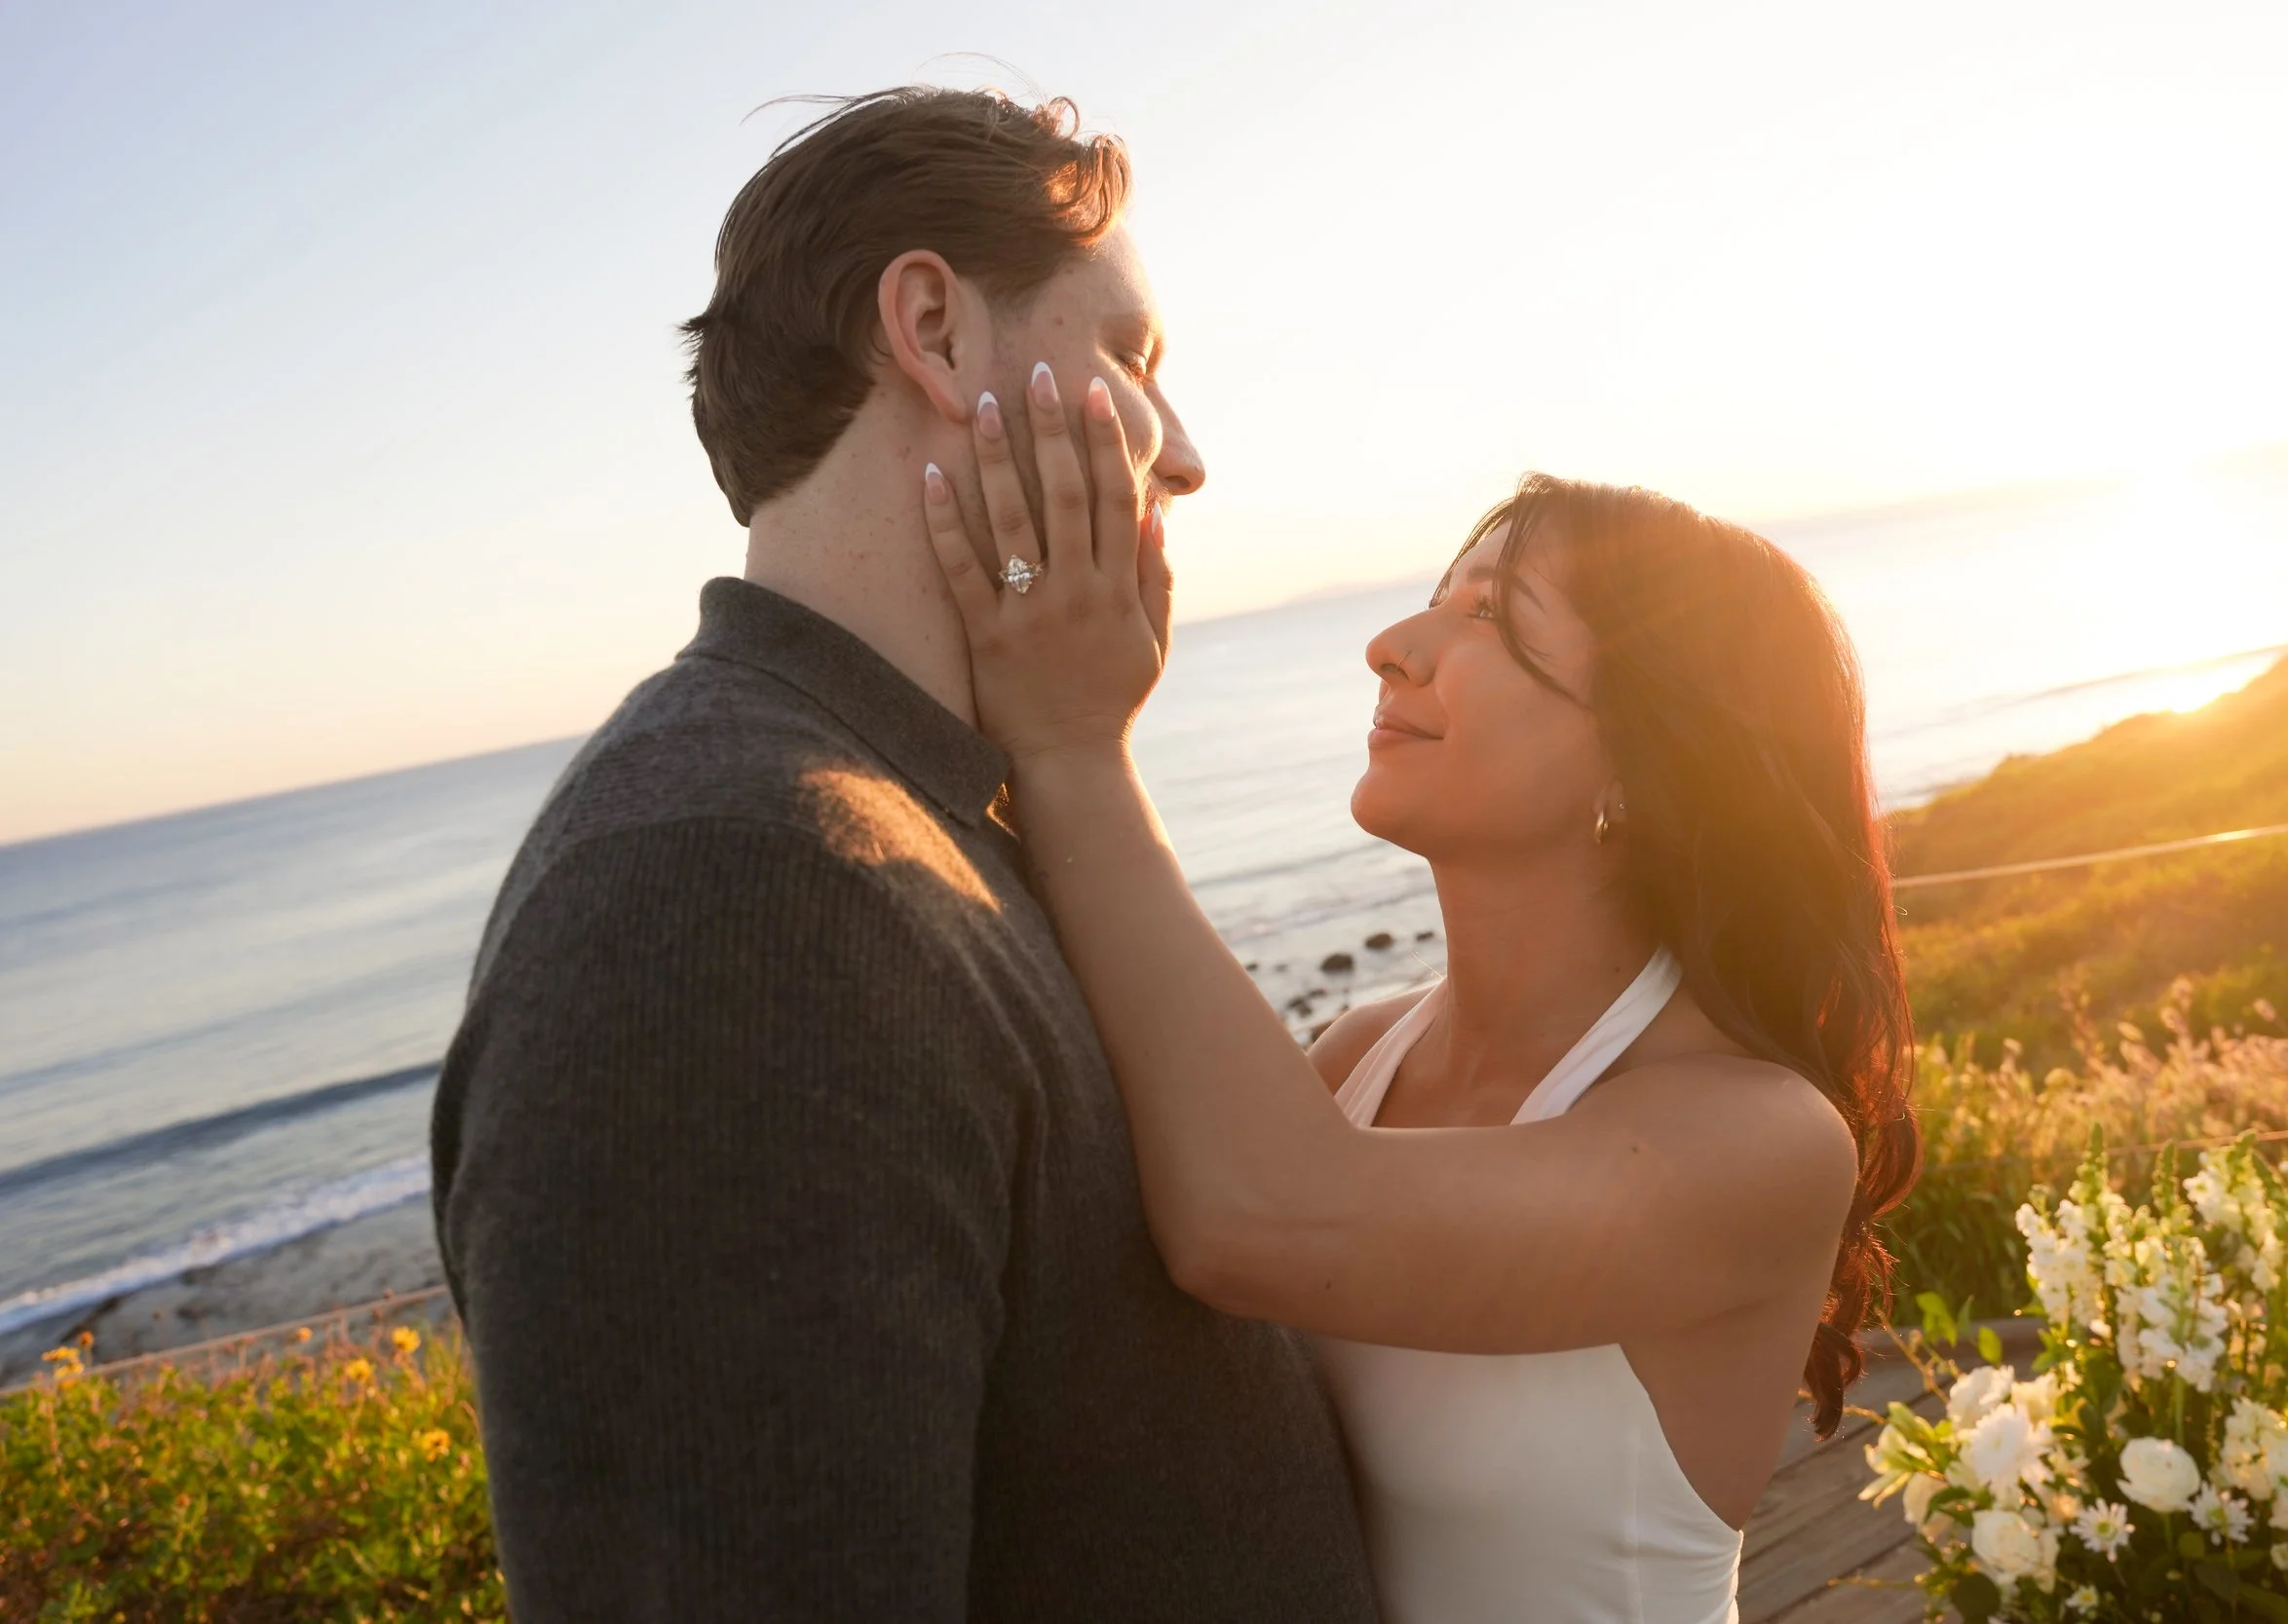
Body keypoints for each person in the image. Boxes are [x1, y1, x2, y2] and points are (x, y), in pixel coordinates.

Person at [428, 88, 1379, 1622]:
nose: (1185, 456)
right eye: (1133, 359)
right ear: (934, 331)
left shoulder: (911, 814)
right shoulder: (729, 895)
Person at [916, 373, 1923, 1622]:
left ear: (1649, 754)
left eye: (1493, 617)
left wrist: (1071, 738)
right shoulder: (1354, 1059)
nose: (1391, 643)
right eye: (1434, 600)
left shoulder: (1755, 1140)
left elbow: (1255, 1219)